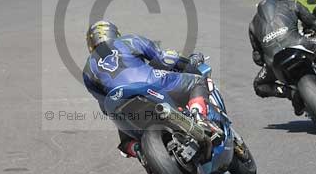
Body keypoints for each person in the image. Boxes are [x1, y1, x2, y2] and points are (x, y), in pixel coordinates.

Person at [82, 20, 217, 158]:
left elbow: (103, 106)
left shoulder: (87, 71)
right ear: (114, 33)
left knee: (125, 141)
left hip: (118, 103)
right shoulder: (127, 40)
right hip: (150, 82)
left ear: (90, 44)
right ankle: (199, 116)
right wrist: (190, 63)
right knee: (198, 82)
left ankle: (136, 149)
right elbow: (165, 59)